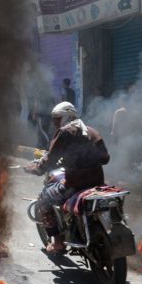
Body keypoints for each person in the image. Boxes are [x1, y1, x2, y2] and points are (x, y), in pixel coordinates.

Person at [24, 102, 110, 253]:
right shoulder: (91, 131)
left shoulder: (65, 132)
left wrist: (36, 169)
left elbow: (50, 159)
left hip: (75, 184)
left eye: (57, 118)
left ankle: (57, 243)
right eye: (54, 119)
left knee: (44, 201)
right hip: (97, 180)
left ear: (67, 117)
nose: (55, 122)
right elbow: (105, 158)